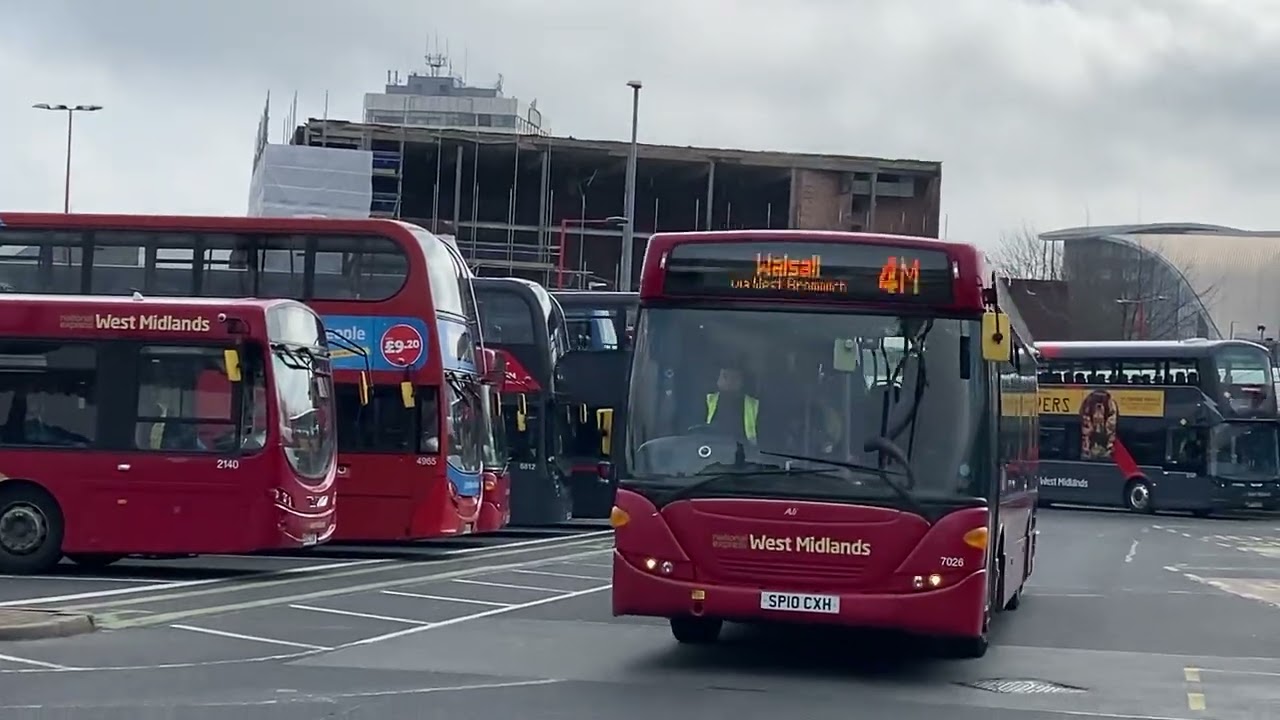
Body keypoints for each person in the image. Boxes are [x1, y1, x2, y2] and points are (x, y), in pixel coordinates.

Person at [705, 363, 759, 443]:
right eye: (725, 376)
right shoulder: (708, 400)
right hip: (711, 448)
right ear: (718, 379)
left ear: (742, 381)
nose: (730, 381)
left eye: (735, 378)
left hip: (744, 452)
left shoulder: (754, 405)